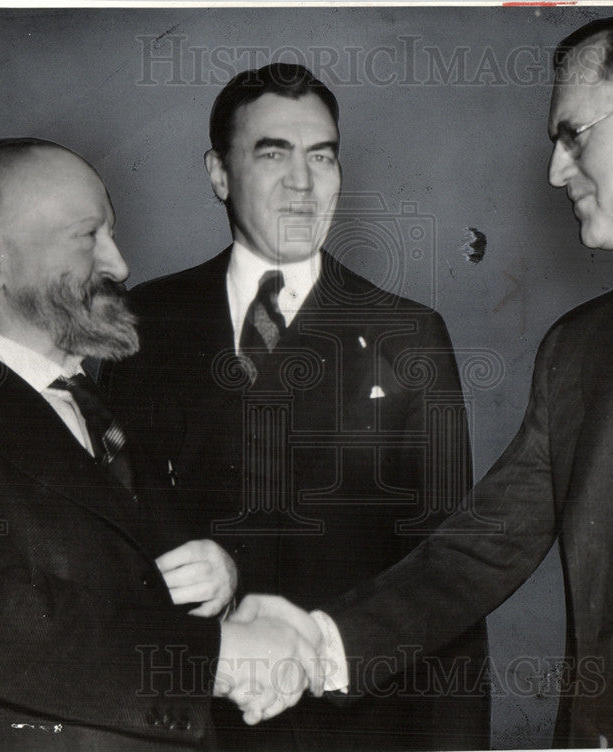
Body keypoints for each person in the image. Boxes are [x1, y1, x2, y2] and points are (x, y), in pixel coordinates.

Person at [249, 9, 613, 747]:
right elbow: (478, 550)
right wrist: (318, 642)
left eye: (574, 135)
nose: (555, 170)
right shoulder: (577, 350)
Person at [0, 137, 324, 751]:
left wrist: (219, 578)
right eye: (88, 236)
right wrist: (210, 659)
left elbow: (127, 572)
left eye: (112, 233)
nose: (119, 263)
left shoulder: (106, 404)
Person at [101, 64, 490, 751]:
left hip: (354, 729)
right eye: (273, 153)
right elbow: (104, 529)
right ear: (219, 173)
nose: (303, 183)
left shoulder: (407, 334)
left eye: (323, 157)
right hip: (185, 723)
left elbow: (446, 579)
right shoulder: (143, 323)